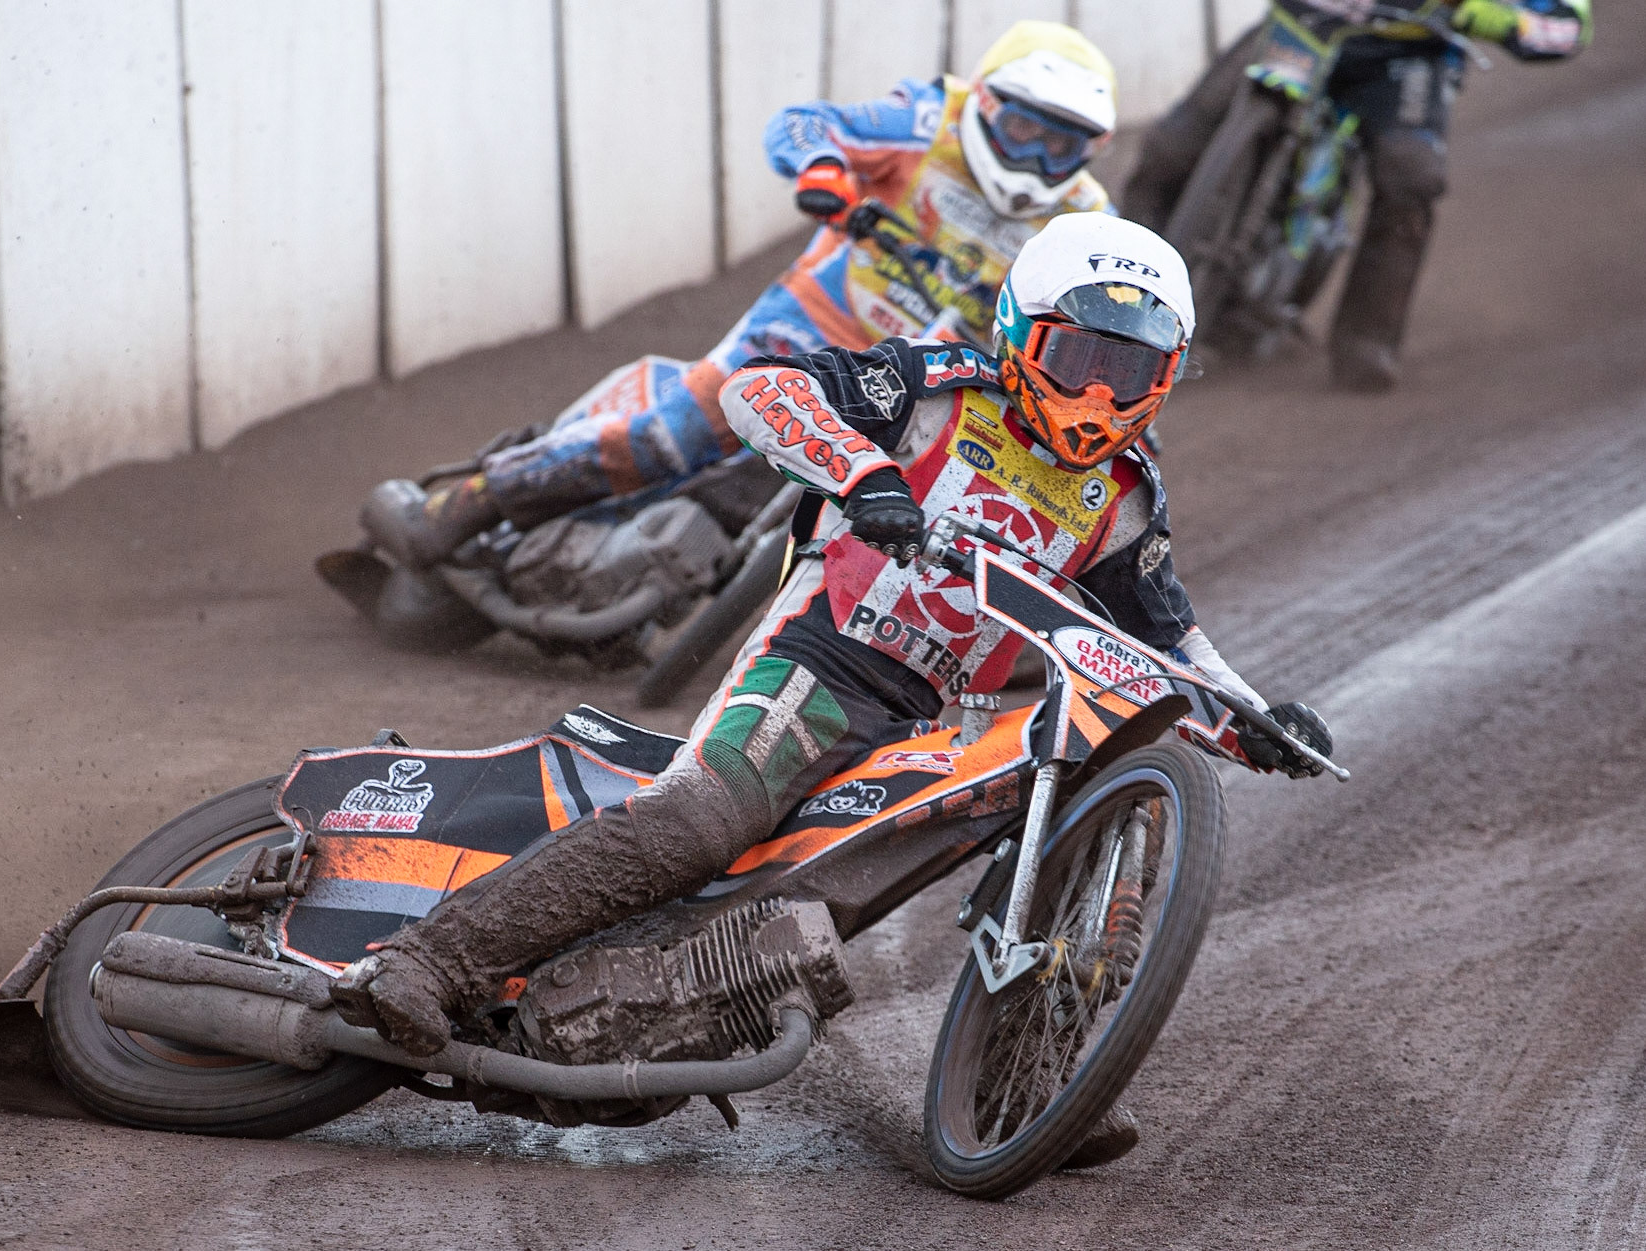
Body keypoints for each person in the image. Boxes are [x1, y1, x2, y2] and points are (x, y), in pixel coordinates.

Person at [331, 212, 1333, 1167]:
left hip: (933, 720)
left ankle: (1032, 1080)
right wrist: (864, 476)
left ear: (1167, 375)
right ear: (1021, 332)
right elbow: (760, 390)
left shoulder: (1125, 498)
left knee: (1000, 820)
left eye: (1133, 371)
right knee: (700, 824)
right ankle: (426, 961)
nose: (1101, 394)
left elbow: (1167, 642)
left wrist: (1257, 720)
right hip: (819, 662)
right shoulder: (937, 387)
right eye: (1079, 359)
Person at [342, 20, 1125, 579]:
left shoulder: (1090, 220)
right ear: (983, 101)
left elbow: (1109, 318)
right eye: (1023, 128)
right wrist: (823, 172)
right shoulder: (927, 120)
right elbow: (806, 122)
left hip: (922, 380)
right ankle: (463, 507)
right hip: (811, 325)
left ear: (1091, 151)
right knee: (673, 435)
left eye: (1061, 144)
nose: (1035, 158)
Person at [1122, 0, 1590, 392]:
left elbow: (1568, 25)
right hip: (1303, 25)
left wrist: (1491, 16)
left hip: (1406, 52)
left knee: (1411, 174)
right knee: (1170, 148)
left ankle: (1368, 340)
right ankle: (1115, 296)